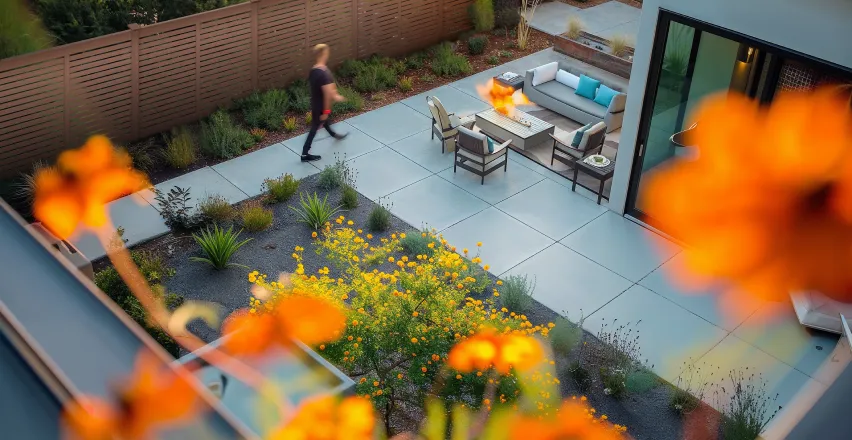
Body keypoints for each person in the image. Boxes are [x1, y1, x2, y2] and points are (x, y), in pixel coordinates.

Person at [302, 43, 347, 162]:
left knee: (324, 122)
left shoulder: (315, 70)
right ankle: (305, 154)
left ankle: (334, 135)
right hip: (321, 106)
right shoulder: (323, 73)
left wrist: (335, 95)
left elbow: (330, 86)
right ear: (323, 54)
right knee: (315, 127)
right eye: (327, 52)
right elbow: (327, 94)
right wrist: (326, 111)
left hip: (315, 104)